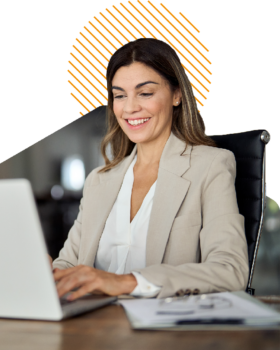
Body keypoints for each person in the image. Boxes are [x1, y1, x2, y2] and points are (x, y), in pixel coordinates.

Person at [50, 37, 249, 301]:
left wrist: (126, 282)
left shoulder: (210, 166)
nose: (130, 107)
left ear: (176, 95)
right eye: (120, 95)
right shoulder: (99, 180)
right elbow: (68, 267)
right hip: (94, 326)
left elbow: (230, 270)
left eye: (145, 93)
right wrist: (45, 272)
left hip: (164, 332)